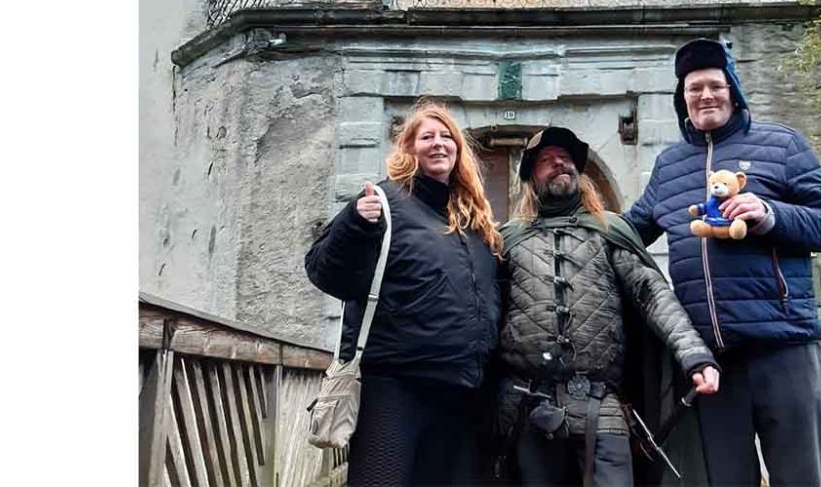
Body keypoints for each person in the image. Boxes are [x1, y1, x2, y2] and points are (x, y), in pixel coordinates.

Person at [626, 38, 821, 486]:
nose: (705, 96)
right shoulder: (669, 167)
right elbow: (627, 234)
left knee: (801, 477)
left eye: (714, 85)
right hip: (711, 364)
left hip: (782, 347)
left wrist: (770, 214)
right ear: (682, 99)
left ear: (733, 90)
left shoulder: (782, 145)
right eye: (694, 89)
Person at [493, 127, 720, 487]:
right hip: (526, 407)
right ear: (531, 178)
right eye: (547, 161)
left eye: (565, 159)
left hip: (602, 405)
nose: (559, 164)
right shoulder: (507, 240)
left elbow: (653, 294)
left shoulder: (608, 230)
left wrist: (694, 355)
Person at [304, 100, 502, 486]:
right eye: (427, 137)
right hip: (395, 389)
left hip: (460, 394)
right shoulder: (383, 203)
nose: (439, 143)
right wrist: (355, 223)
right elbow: (326, 272)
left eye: (447, 137)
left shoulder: (474, 223)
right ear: (409, 148)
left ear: (459, 151)